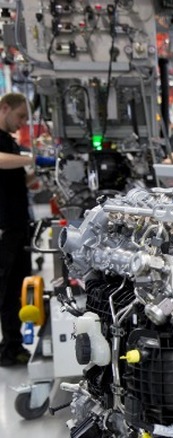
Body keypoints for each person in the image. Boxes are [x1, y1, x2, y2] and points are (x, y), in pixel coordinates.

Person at [0, 92, 54, 366]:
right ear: (4, 107)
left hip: (18, 223)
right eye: (20, 116)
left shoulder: (8, 141)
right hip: (5, 226)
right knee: (8, 288)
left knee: (17, 285)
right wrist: (32, 158)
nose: (22, 123)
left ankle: (15, 344)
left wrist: (42, 171)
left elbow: (19, 180)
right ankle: (9, 350)